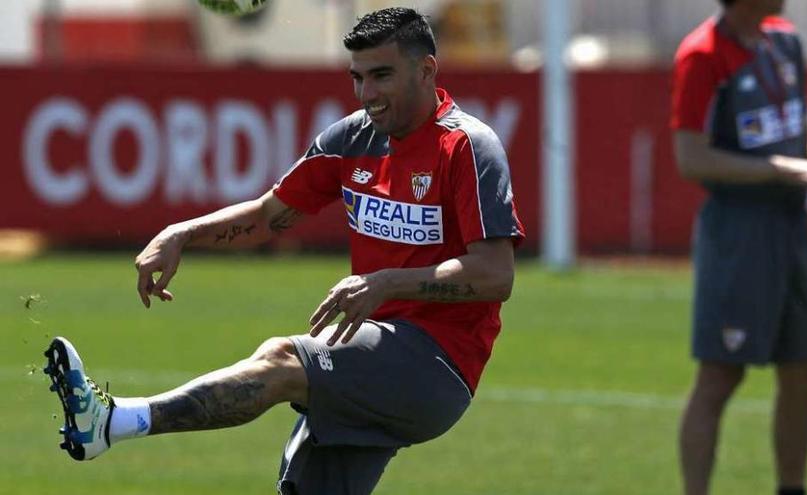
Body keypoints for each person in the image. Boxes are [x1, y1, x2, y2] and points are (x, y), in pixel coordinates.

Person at [43, 7, 525, 494]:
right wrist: (182, 233)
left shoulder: (467, 146)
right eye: (357, 78)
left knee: (280, 361)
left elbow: (495, 274)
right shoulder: (353, 138)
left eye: (382, 76)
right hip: (370, 352)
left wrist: (386, 283)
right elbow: (267, 215)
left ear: (426, 70)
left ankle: (111, 421)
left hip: (436, 365)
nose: (367, 95)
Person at [670, 1, 807, 494]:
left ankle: (791, 487)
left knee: (804, 367)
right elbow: (691, 157)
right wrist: (784, 169)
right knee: (721, 374)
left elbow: (798, 125)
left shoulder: (785, 41)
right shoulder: (702, 55)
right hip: (738, 230)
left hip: (791, 224)